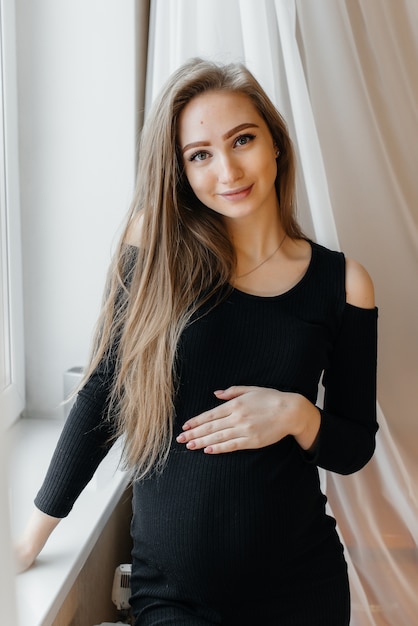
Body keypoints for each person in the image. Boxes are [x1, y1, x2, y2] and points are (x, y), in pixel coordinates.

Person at [15, 57, 378, 625]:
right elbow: (105, 394)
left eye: (243, 139)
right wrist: (30, 538)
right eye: (200, 155)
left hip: (302, 588)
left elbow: (354, 447)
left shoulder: (343, 285)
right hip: (173, 598)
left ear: (275, 144)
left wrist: (294, 413)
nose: (228, 169)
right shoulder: (157, 254)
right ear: (180, 171)